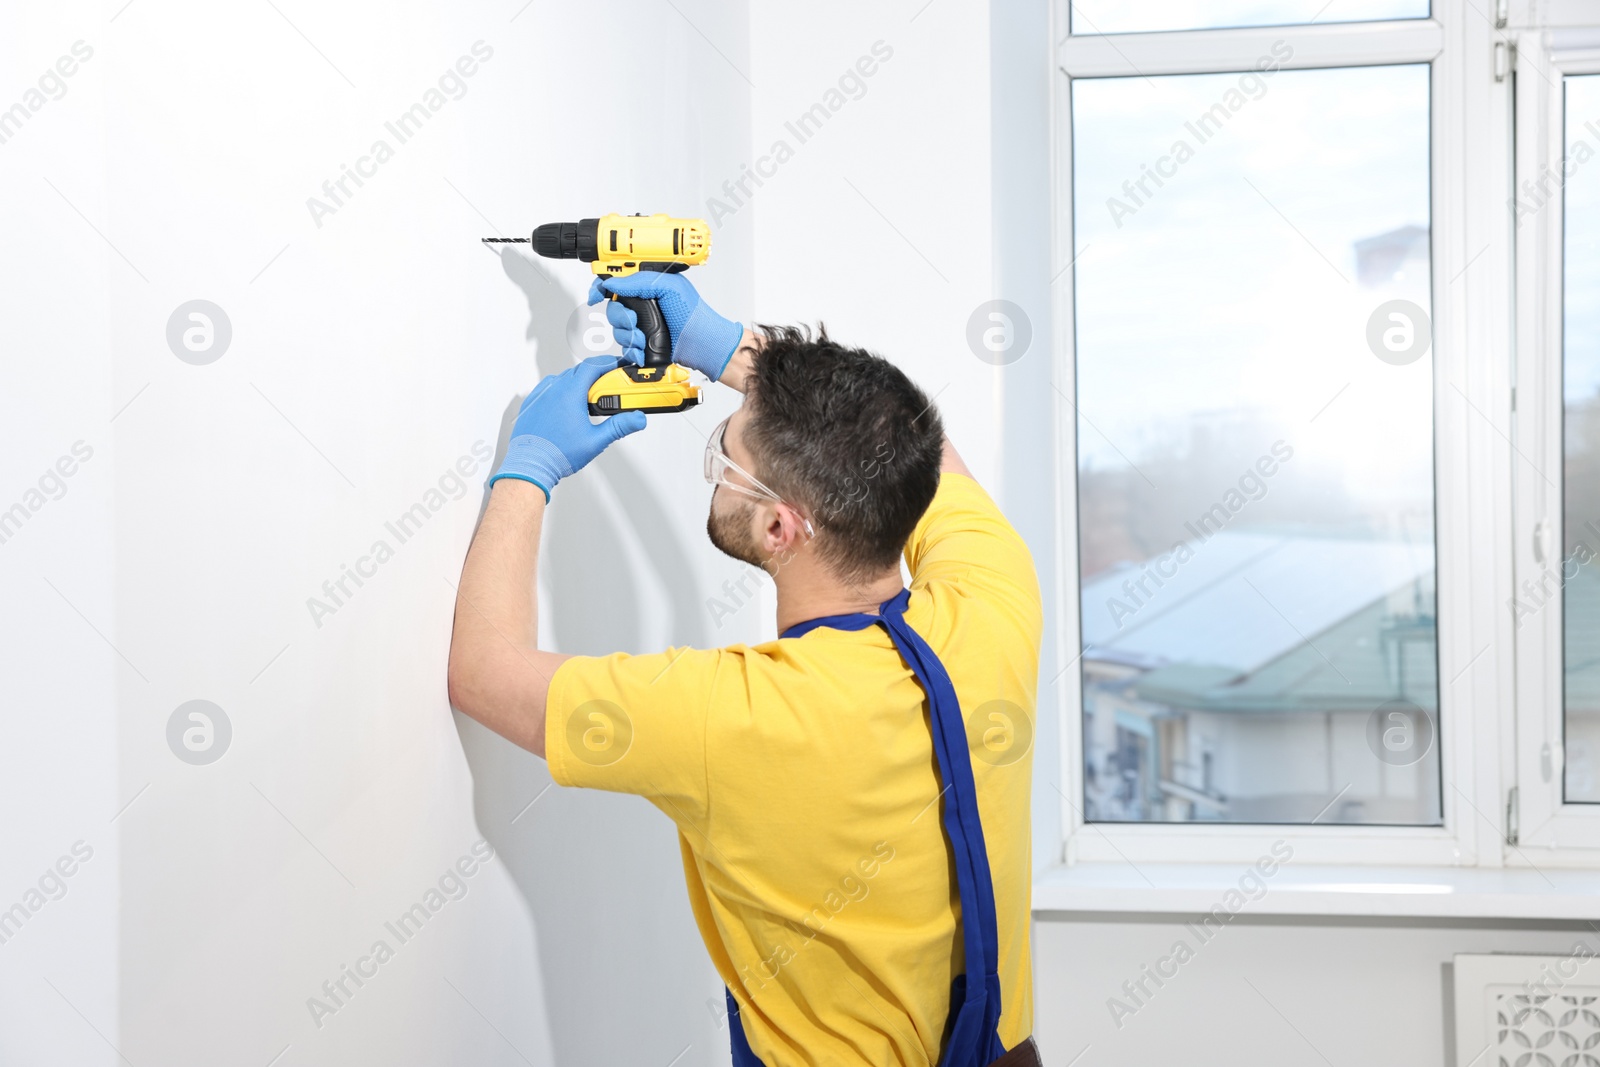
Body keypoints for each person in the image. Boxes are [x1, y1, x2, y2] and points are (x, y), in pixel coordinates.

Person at [447, 272, 1044, 1067]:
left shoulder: (730, 715)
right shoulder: (996, 602)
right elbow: (912, 436)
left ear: (777, 525)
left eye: (724, 453)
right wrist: (739, 355)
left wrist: (529, 465)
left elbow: (484, 671)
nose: (719, 459)